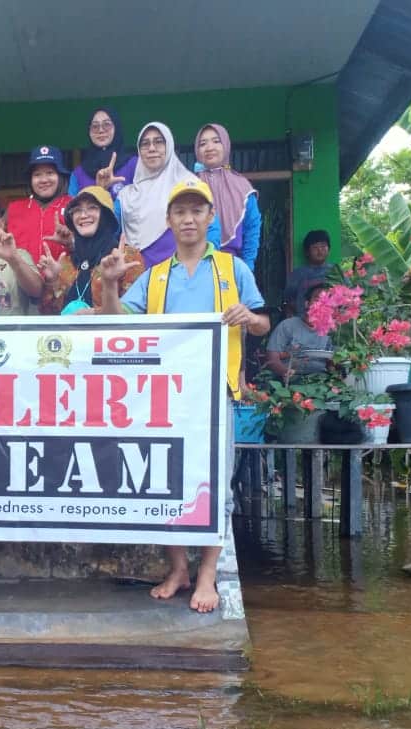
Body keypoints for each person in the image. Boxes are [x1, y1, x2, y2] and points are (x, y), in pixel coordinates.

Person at [97, 179, 270, 613]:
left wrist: (249, 318)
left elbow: (263, 323)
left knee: (218, 488)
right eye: (180, 212)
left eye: (196, 211)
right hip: (165, 397)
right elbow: (117, 322)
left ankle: (207, 574)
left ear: (210, 217)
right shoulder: (155, 276)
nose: (188, 219)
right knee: (164, 483)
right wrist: (111, 285)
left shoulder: (232, 269)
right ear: (169, 220)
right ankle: (178, 569)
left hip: (215, 393)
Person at [117, 122, 220, 267]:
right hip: (140, 276)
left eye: (159, 142)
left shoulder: (190, 185)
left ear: (169, 146)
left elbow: (212, 228)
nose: (151, 148)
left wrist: (202, 266)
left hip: (183, 272)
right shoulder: (126, 196)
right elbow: (107, 231)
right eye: (145, 144)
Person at [36, 185, 144, 315]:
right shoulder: (66, 262)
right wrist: (52, 281)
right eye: (77, 210)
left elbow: (134, 312)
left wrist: (93, 314)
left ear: (106, 215)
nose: (83, 215)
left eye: (92, 207)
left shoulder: (126, 256)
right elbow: (48, 315)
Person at [194, 123, 261, 271]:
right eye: (203, 144)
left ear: (226, 145)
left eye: (216, 141)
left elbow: (252, 229)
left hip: (232, 267)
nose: (209, 147)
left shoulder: (242, 187)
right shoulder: (190, 185)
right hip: (195, 267)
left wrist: (247, 267)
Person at [4, 146, 73, 264]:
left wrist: (71, 243)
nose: (44, 180)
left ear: (60, 176)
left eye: (50, 173)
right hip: (21, 275)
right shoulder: (13, 209)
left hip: (65, 275)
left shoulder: (74, 206)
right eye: (37, 174)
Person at [265, 281, 333, 379]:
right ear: (307, 303)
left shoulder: (329, 329)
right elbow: (272, 357)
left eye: (327, 302)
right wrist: (284, 372)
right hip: (291, 379)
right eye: (317, 300)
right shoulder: (287, 326)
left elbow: (330, 362)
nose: (322, 305)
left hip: (320, 379)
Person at [68, 107, 137, 197]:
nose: (101, 130)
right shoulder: (78, 174)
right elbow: (72, 204)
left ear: (116, 127)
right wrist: (100, 190)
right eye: (95, 126)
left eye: (107, 124)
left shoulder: (134, 164)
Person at [284, 230, 333, 315]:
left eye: (323, 246)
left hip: (332, 320)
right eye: (315, 247)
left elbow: (347, 294)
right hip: (304, 319)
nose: (320, 250)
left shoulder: (336, 271)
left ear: (329, 249)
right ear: (307, 252)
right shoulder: (297, 274)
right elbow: (289, 300)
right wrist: (303, 314)